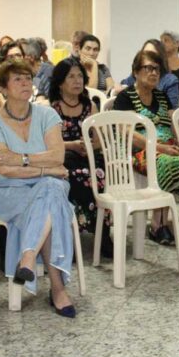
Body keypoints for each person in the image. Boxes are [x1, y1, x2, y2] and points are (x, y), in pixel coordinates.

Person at [0, 60, 77, 317]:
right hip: (8, 192)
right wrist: (47, 169)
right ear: (3, 88)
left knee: (50, 193)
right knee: (52, 193)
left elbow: (58, 156)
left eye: (28, 78)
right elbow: (5, 169)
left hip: (43, 187)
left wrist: (21, 159)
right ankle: (58, 289)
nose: (26, 84)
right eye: (18, 80)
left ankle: (28, 258)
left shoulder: (46, 115)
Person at [114, 49, 179, 245]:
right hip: (139, 152)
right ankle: (158, 225)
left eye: (157, 69)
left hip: (167, 146)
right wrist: (159, 148)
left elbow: (173, 124)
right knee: (166, 163)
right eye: (148, 68)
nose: (154, 73)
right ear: (135, 72)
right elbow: (126, 133)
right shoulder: (125, 97)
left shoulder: (162, 96)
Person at [47, 59, 112, 256]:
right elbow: (50, 145)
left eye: (80, 76)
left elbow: (100, 140)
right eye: (71, 77)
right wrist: (74, 145)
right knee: (74, 175)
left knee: (99, 173)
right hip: (64, 158)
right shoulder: (52, 109)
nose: (77, 81)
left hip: (88, 156)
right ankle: (71, 235)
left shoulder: (89, 106)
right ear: (60, 82)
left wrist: (90, 146)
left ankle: (103, 232)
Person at [120, 39, 179, 109]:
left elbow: (172, 111)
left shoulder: (170, 81)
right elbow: (122, 85)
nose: (148, 57)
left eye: (152, 54)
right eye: (145, 53)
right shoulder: (135, 77)